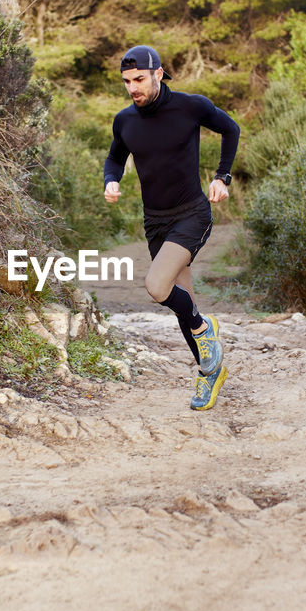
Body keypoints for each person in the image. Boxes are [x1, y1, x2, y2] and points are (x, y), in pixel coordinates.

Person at [102, 45, 240, 411]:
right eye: (127, 82)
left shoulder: (189, 106)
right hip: (155, 221)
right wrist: (111, 181)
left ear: (158, 74)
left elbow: (230, 129)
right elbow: (116, 156)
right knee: (183, 301)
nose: (133, 88)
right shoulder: (125, 120)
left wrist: (222, 177)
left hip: (192, 214)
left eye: (140, 80)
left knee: (157, 286)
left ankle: (204, 327)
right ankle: (209, 372)